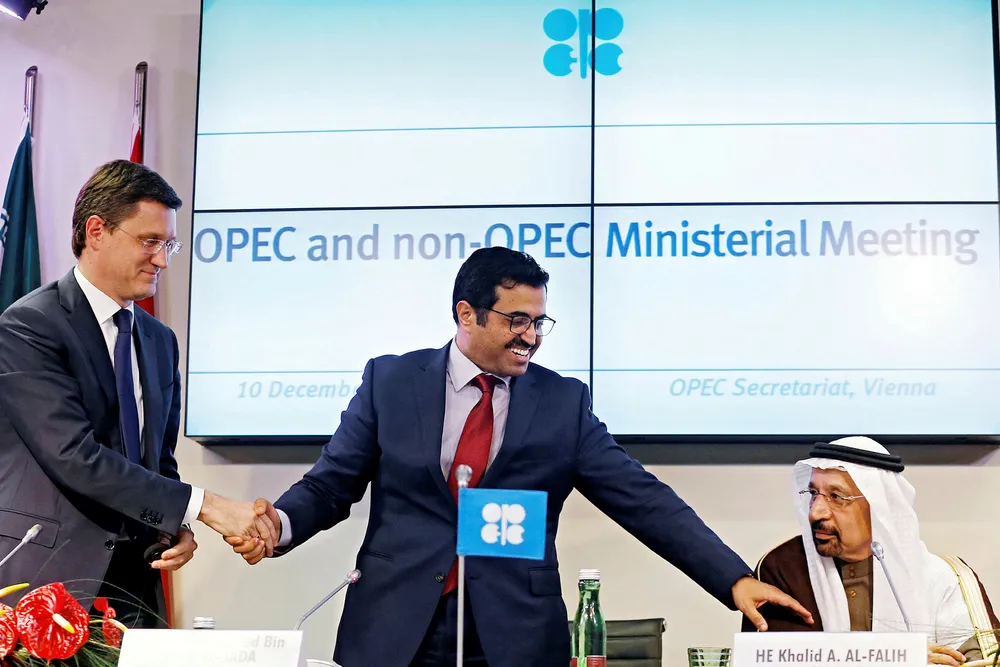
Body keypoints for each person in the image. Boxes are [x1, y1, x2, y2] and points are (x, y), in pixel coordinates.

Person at [228, 246, 812, 667]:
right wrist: (278, 525)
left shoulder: (562, 404)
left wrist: (733, 578)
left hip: (513, 637)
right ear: (467, 314)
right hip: (394, 627)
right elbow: (331, 485)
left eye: (538, 322)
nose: (530, 336)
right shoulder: (391, 382)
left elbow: (644, 501)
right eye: (516, 320)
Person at [0, 160, 275, 628]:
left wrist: (173, 528)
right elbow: (76, 457)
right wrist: (206, 507)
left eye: (169, 244)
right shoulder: (30, 327)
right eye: (149, 241)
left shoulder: (159, 341)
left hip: (136, 592)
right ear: (96, 232)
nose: (163, 260)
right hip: (48, 589)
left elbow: (157, 463)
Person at [742, 436, 998, 665]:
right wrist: (899, 657)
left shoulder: (943, 578)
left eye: (836, 497)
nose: (815, 512)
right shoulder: (784, 569)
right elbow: (775, 658)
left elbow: (982, 661)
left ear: (878, 506)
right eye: (813, 493)